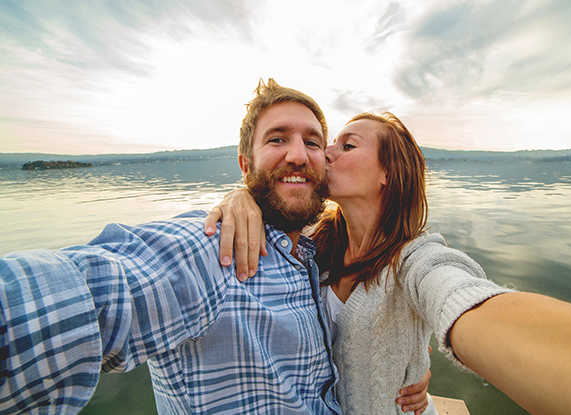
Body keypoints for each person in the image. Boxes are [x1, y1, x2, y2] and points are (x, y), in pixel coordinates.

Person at [0, 79, 429, 414]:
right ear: (246, 166)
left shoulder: (317, 253)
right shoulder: (213, 250)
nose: (299, 155)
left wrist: (412, 364)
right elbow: (92, 292)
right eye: (277, 139)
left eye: (313, 142)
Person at [206, 112, 571, 415]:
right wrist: (241, 197)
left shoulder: (414, 259)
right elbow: (272, 197)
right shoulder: (313, 244)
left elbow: (455, 292)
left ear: (386, 174)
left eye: (347, 146)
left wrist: (467, 326)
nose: (323, 153)